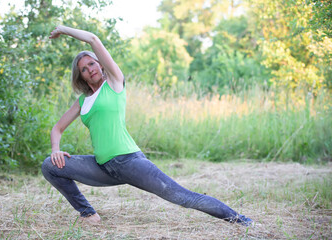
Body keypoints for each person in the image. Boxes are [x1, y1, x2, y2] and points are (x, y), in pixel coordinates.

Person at [41, 25, 253, 226]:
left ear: (100, 64)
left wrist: (64, 30)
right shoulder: (82, 101)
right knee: (50, 166)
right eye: (84, 69)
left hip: (129, 162)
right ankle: (89, 214)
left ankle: (241, 221)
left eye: (92, 64)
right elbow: (57, 129)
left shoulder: (114, 83)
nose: (90, 69)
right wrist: (55, 150)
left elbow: (93, 39)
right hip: (103, 167)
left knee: (183, 198)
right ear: (81, 76)